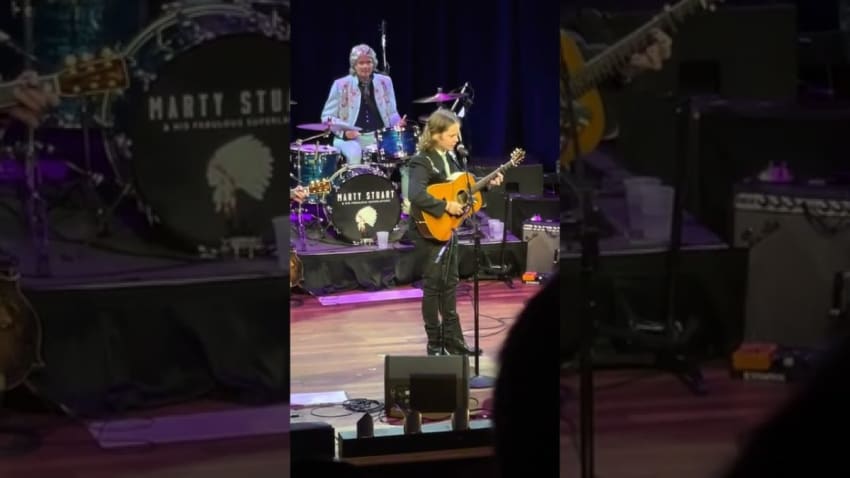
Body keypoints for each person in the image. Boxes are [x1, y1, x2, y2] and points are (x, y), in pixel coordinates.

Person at [406, 109, 502, 356]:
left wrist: (487, 185)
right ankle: (434, 344)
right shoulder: (422, 160)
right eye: (451, 135)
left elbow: (461, 187)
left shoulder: (452, 158)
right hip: (428, 230)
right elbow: (415, 194)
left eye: (457, 134)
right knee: (433, 286)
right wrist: (445, 205)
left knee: (450, 284)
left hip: (450, 227)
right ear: (436, 135)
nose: (456, 139)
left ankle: (454, 342)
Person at [320, 43, 411, 202]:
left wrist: (397, 123)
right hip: (349, 138)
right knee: (355, 154)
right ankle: (354, 202)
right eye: (361, 62)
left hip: (378, 136)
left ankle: (407, 203)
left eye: (368, 62)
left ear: (374, 63)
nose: (365, 66)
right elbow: (327, 117)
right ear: (354, 65)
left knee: (406, 157)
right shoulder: (341, 85)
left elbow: (391, 112)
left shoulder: (385, 82)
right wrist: (344, 132)